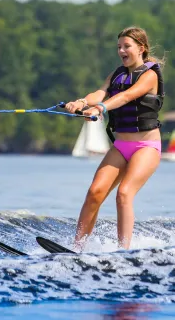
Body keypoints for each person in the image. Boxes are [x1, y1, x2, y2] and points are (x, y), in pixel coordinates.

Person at [65, 26, 165, 250]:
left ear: (141, 48)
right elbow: (100, 93)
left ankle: (124, 252)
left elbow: (127, 96)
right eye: (119, 47)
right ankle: (76, 249)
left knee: (124, 193)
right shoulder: (117, 74)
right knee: (95, 192)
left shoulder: (149, 76)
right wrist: (82, 102)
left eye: (126, 46)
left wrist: (100, 108)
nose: (121, 50)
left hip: (146, 146)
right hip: (121, 146)